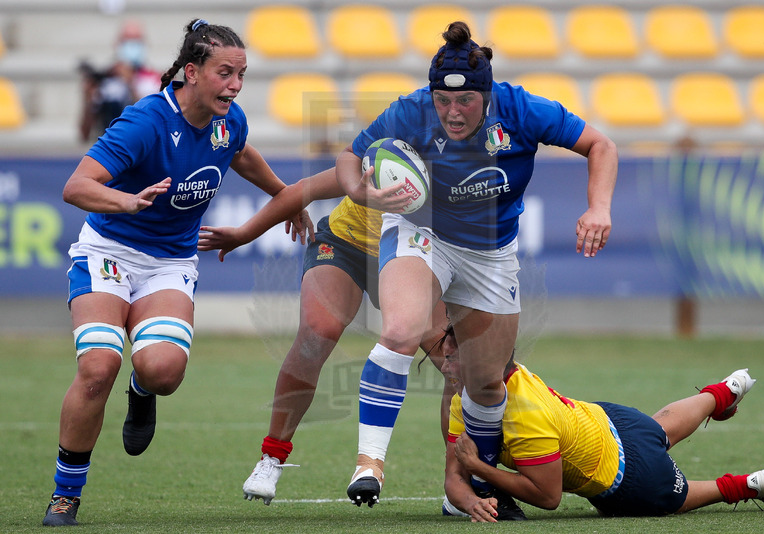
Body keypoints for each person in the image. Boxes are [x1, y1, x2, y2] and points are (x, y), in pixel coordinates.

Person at [42, 19, 314, 527]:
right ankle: (65, 495)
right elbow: (77, 186)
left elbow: (242, 154)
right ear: (191, 72)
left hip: (169, 262)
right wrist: (125, 199)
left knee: (162, 373)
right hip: (108, 251)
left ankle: (142, 392)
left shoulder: (226, 121)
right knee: (98, 367)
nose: (235, 85)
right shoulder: (145, 122)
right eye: (225, 73)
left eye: (242, 74)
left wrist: (284, 195)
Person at [335, 21, 618, 506]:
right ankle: (369, 464)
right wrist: (362, 190)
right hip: (421, 230)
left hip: (490, 253)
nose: (452, 111)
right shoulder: (410, 111)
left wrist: (599, 207)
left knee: (485, 382)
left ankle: (470, 486)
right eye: (442, 101)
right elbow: (349, 156)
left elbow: (601, 145)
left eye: (464, 100)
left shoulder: (523, 108)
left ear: (486, 95)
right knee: (402, 330)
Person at [197, 175, 455, 505]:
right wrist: (245, 233)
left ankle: (459, 480)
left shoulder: (464, 156)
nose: (450, 119)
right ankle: (271, 458)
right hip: (347, 244)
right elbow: (304, 188)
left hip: (413, 256)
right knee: (316, 335)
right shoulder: (393, 132)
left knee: (454, 361)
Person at [438, 325, 764, 521]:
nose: (444, 367)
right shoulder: (470, 394)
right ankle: (724, 392)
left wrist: (475, 465)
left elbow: (548, 497)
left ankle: (749, 484)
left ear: (483, 365)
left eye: (453, 358)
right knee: (659, 430)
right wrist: (471, 502)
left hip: (630, 478)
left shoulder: (526, 416)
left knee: (675, 498)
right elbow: (453, 478)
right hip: (613, 419)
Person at [78, 19, 161, 142]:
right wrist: (88, 99)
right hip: (111, 149)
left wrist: (130, 83)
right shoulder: (105, 81)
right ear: (118, 44)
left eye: (136, 41)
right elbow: (85, 134)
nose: (132, 45)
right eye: (127, 40)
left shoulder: (156, 80)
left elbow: (154, 122)